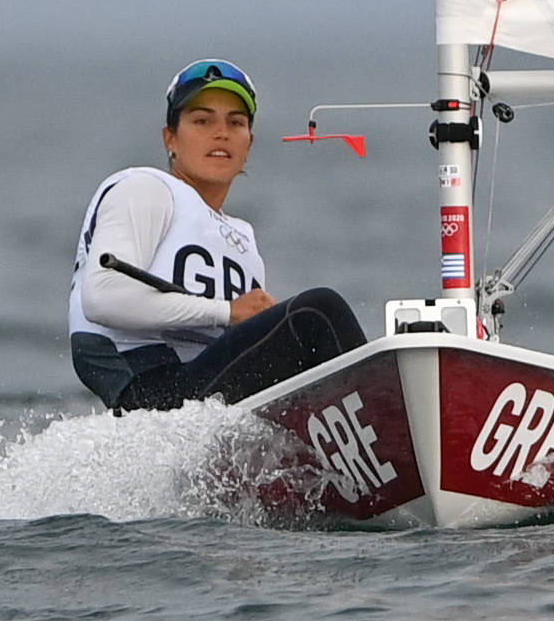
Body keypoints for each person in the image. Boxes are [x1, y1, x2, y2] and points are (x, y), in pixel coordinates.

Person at [68, 59, 367, 412]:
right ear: (170, 138)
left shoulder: (243, 238)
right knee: (316, 313)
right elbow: (102, 298)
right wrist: (226, 312)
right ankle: (389, 431)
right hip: (151, 391)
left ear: (249, 143)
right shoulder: (145, 188)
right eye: (202, 120)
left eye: (236, 122)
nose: (221, 133)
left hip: (211, 397)